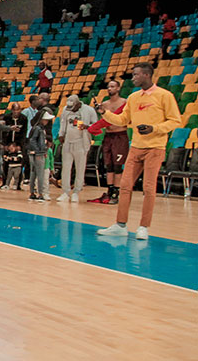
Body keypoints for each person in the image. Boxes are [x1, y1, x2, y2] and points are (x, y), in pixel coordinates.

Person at [96, 63, 181, 240]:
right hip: (136, 146)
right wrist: (105, 113)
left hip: (155, 147)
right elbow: (123, 119)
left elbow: (175, 121)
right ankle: (120, 224)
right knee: (125, 186)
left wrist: (153, 129)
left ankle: (143, 227)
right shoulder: (133, 98)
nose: (132, 78)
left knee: (148, 188)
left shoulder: (165, 96)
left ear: (146, 75)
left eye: (135, 75)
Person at [87, 81, 128, 204]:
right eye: (108, 87)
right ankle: (109, 190)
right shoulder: (104, 104)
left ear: (118, 88)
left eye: (113, 86)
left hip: (120, 135)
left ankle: (116, 192)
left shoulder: (124, 103)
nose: (110, 89)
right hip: (108, 136)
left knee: (117, 166)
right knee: (108, 166)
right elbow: (103, 122)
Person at [56, 95, 98, 202]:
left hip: (81, 143)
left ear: (78, 104)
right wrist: (61, 134)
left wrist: (87, 126)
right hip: (67, 142)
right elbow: (63, 123)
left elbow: (96, 124)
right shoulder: (66, 109)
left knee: (80, 168)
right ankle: (65, 192)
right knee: (65, 168)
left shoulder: (89, 110)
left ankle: (76, 192)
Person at [28, 110, 53, 201]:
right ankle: (40, 194)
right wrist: (39, 151)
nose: (47, 121)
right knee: (40, 174)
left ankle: (32, 192)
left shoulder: (37, 128)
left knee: (33, 173)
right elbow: (33, 140)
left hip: (34, 153)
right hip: (38, 154)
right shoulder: (39, 129)